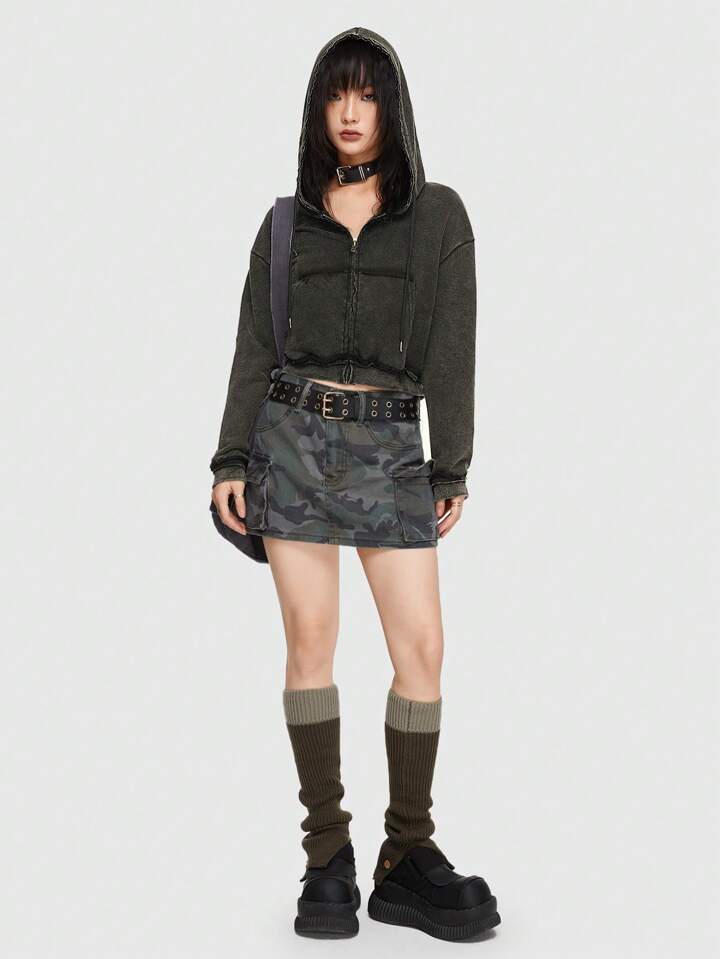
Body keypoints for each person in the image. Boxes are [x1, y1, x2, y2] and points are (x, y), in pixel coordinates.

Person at [209, 26, 500, 941]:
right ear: (316, 107)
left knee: (423, 648)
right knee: (311, 641)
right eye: (337, 93)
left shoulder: (437, 216)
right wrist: (230, 459)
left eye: (367, 93)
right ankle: (326, 853)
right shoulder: (284, 224)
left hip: (391, 449)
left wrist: (450, 463)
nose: (349, 111)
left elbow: (453, 346)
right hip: (291, 440)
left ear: (391, 107)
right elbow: (255, 344)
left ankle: (405, 853)